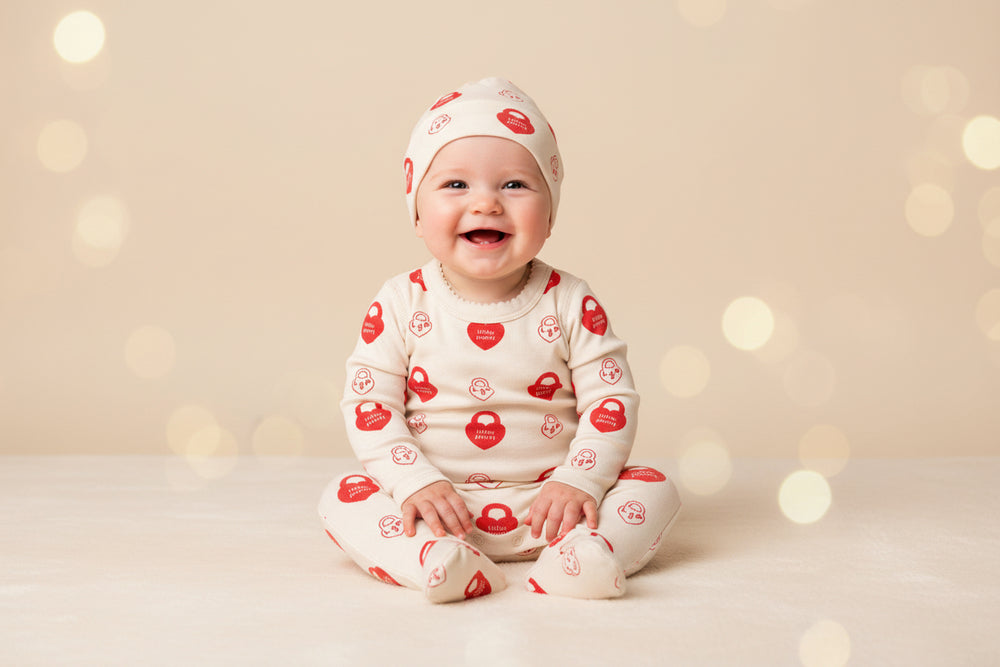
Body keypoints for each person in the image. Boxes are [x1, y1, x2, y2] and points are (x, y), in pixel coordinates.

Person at [318, 77, 681, 602]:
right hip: (440, 509)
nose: (486, 203)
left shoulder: (569, 300)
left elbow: (611, 400)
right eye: (455, 185)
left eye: (514, 185)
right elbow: (369, 403)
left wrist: (580, 481)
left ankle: (580, 558)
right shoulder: (400, 302)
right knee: (341, 497)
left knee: (656, 488)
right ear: (417, 214)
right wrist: (414, 482)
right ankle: (437, 561)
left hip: (554, 508)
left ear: (550, 214)